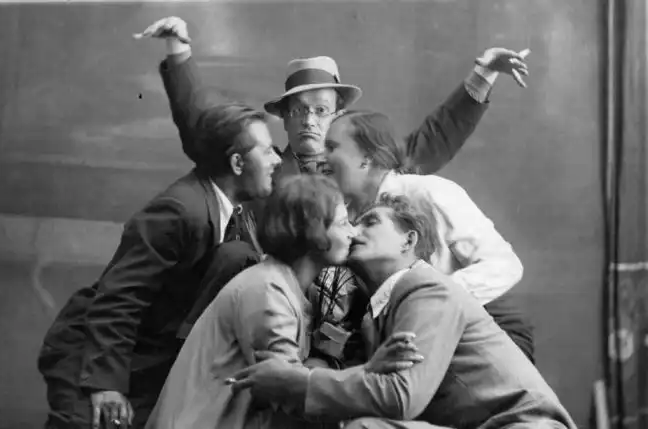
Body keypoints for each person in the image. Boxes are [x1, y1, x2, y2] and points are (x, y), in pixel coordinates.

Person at [136, 15, 531, 362]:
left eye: (321, 110)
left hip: (359, 328)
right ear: (284, 119)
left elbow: (433, 138)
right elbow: (206, 132)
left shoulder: (371, 173)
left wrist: (481, 77)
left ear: (339, 116)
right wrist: (179, 55)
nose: (309, 120)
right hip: (280, 315)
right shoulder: (264, 172)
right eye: (298, 110)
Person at [228, 194, 578, 429]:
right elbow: (363, 385)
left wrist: (296, 384)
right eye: (352, 223)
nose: (354, 231)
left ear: (408, 241)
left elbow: (400, 395)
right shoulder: (379, 309)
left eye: (370, 222)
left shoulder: (426, 289)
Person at [37, 103, 281, 429]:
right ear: (237, 163)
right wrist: (106, 385)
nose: (277, 160)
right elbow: (120, 297)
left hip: (144, 356)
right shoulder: (181, 211)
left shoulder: (232, 211)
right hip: (90, 355)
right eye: (267, 151)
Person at [145, 175, 423, 429]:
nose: (353, 233)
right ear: (312, 231)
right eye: (342, 223)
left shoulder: (283, 286)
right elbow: (287, 391)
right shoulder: (268, 290)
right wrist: (370, 371)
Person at [321, 110, 532, 361]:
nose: (322, 158)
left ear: (366, 157)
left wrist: (425, 304)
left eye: (332, 147)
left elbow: (503, 265)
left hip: (492, 334)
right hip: (420, 339)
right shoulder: (347, 220)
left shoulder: (429, 193)